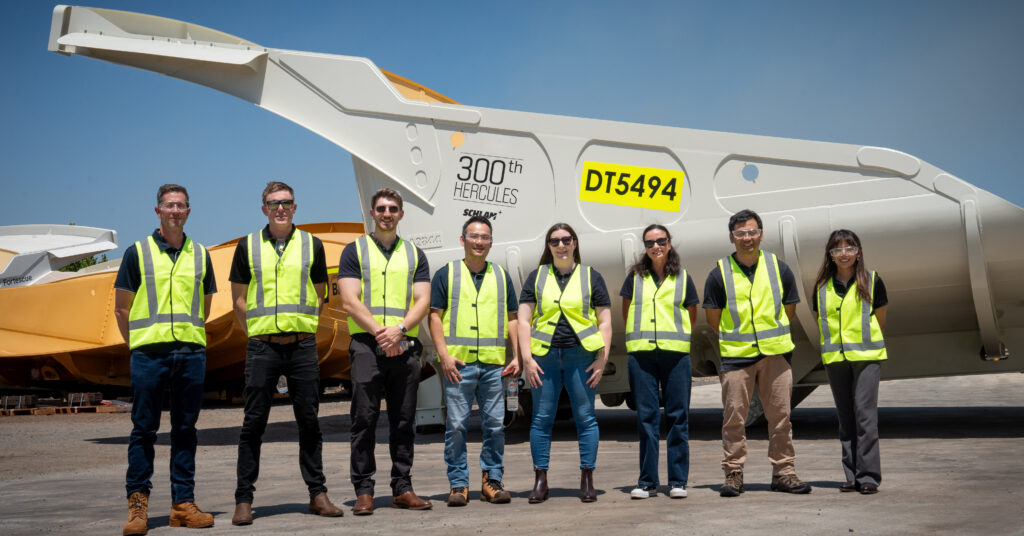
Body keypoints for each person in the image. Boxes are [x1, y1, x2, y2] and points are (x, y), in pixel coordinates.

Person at [229, 181, 342, 525]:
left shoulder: (313, 245)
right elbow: (238, 300)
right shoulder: (247, 246)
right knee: (253, 424)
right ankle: (244, 499)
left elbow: (320, 294)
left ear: (295, 207)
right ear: (263, 208)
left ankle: (317, 494)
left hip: (302, 346)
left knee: (309, 422)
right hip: (263, 346)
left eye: (286, 203)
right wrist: (257, 334)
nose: (280, 208)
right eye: (273, 203)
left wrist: (302, 327)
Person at [114, 184, 216, 535]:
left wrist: (191, 339)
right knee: (143, 430)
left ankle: (182, 505)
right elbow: (121, 308)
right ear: (158, 211)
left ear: (189, 211)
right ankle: (138, 507)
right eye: (169, 205)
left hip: (190, 352)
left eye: (181, 206)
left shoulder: (201, 254)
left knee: (185, 431)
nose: (175, 211)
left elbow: (205, 307)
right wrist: (138, 345)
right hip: (149, 354)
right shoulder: (136, 253)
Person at [703, 209, 811, 497]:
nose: (747, 238)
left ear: (760, 235)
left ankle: (784, 473)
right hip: (737, 357)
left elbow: (789, 310)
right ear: (731, 237)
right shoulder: (719, 273)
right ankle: (733, 473)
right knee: (734, 418)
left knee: (781, 417)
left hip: (775, 354)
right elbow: (713, 318)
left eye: (752, 232)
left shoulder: (779, 268)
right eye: (740, 233)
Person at [338, 188, 432, 514]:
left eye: (393, 208)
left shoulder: (415, 254)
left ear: (401, 214)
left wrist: (400, 330)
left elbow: (422, 300)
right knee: (363, 420)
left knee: (403, 420)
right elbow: (349, 300)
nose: (387, 213)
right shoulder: (355, 251)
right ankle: (363, 490)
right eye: (381, 208)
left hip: (404, 344)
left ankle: (402, 488)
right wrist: (381, 333)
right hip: (367, 344)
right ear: (372, 213)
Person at [428, 215, 520, 507]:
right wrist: (443, 355)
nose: (479, 242)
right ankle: (458, 484)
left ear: (491, 242)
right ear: (462, 240)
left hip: (494, 366)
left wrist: (516, 355)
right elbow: (434, 316)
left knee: (494, 426)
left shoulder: (501, 276)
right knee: (456, 426)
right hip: (459, 366)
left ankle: (491, 481)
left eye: (485, 237)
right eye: (473, 236)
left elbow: (513, 319)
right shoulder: (447, 273)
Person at [518, 223, 612, 504]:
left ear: (574, 243)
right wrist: (527, 359)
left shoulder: (590, 276)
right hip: (544, 357)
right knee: (542, 419)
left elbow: (605, 320)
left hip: (580, 355)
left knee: (585, 417)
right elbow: (524, 320)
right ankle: (540, 480)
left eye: (566, 240)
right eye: (555, 241)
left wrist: (602, 360)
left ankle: (586, 477)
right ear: (548, 246)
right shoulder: (536, 276)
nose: (561, 245)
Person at [621, 224, 699, 500]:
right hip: (641, 354)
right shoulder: (634, 277)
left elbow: (691, 314)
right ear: (645, 246)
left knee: (678, 417)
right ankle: (647, 482)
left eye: (661, 241)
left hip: (675, 354)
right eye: (650, 242)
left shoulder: (683, 277)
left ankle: (678, 481)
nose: (656, 246)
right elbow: (626, 310)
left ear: (669, 243)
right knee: (647, 418)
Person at [813, 229, 888, 494]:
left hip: (866, 357)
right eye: (837, 249)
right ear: (830, 255)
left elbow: (879, 319)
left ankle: (868, 476)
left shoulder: (873, 281)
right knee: (845, 419)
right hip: (835, 359)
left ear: (858, 251)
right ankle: (851, 475)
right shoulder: (821, 288)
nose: (843, 254)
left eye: (849, 248)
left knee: (865, 416)